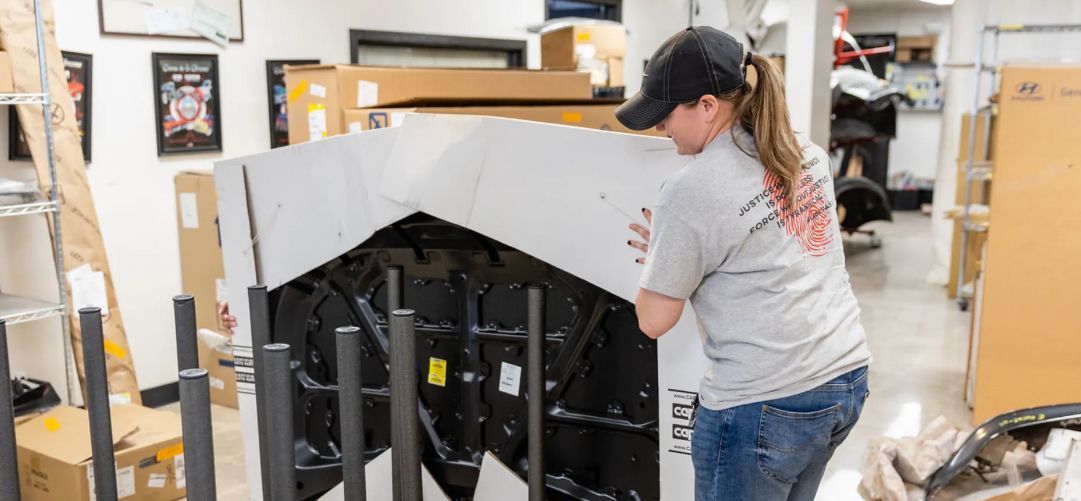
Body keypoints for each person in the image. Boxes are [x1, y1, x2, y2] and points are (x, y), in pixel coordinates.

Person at [616, 26, 872, 500]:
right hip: (844, 378)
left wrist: (665, 256)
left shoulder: (691, 190)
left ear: (708, 106)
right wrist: (680, 246)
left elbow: (653, 321)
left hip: (766, 403)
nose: (659, 128)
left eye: (666, 113)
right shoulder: (803, 152)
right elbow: (769, 242)